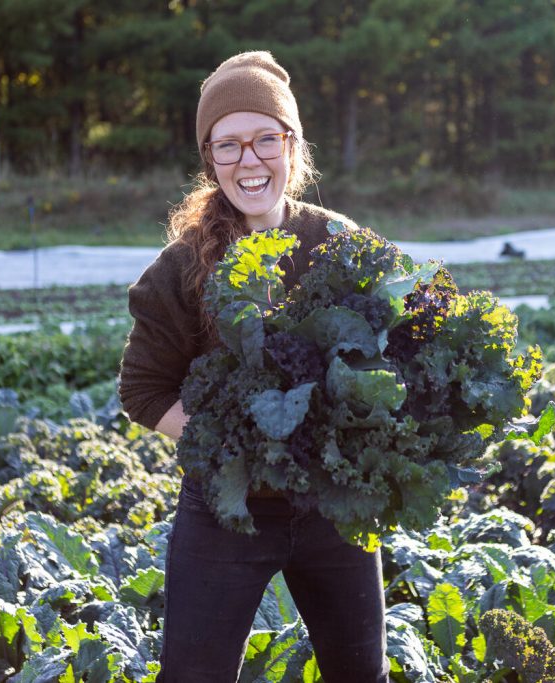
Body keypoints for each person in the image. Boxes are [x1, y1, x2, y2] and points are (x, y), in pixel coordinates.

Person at [118, 51, 390, 683]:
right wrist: (242, 448)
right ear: (210, 159)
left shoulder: (342, 243)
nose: (250, 160)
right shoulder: (177, 270)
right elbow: (142, 390)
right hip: (228, 506)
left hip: (335, 507)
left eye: (266, 139)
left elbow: (396, 354)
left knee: (361, 674)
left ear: (292, 148)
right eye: (229, 145)